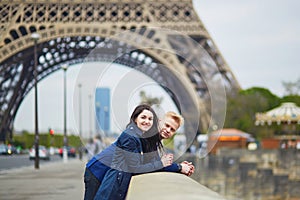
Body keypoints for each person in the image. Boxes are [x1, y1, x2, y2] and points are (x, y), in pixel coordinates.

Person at [84, 109, 194, 200]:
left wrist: (179, 166)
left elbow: (156, 164)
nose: (168, 130)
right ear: (159, 122)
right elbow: (157, 165)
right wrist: (179, 167)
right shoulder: (148, 136)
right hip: (98, 170)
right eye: (167, 125)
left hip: (108, 170)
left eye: (172, 129)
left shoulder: (151, 138)